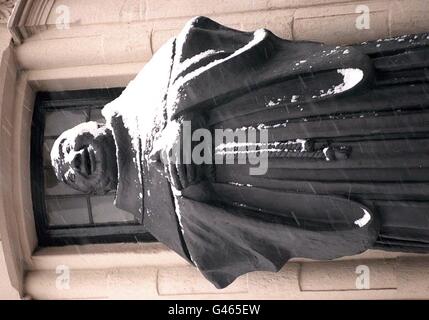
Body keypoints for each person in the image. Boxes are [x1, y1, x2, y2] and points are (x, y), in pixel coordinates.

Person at [50, 16, 429, 288]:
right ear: (95, 192)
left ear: (88, 125)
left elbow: (218, 43)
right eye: (69, 173)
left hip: (316, 107)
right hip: (329, 194)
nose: (73, 160)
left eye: (65, 146)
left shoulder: (155, 79)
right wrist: (193, 199)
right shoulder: (166, 225)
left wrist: (183, 109)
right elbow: (229, 252)